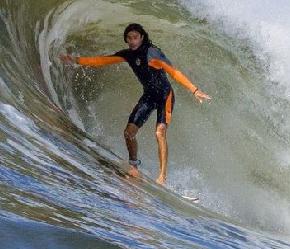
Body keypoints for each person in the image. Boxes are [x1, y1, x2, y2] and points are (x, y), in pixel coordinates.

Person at [61, 23, 210, 185]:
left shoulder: (152, 54)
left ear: (142, 37)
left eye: (135, 37)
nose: (132, 41)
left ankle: (162, 176)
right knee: (129, 132)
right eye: (129, 38)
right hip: (149, 96)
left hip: (164, 96)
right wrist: (76, 60)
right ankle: (134, 166)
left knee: (160, 132)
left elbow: (174, 72)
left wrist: (195, 90)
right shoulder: (128, 55)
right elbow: (102, 60)